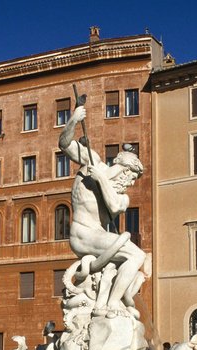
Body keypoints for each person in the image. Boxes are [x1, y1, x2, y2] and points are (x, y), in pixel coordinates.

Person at [58, 105, 147, 318]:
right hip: (83, 234)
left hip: (97, 236)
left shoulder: (121, 197)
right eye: (132, 177)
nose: (132, 183)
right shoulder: (93, 161)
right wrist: (73, 120)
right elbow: (64, 144)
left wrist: (100, 179)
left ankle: (116, 299)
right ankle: (113, 303)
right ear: (125, 170)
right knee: (136, 254)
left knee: (134, 257)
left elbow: (114, 206)